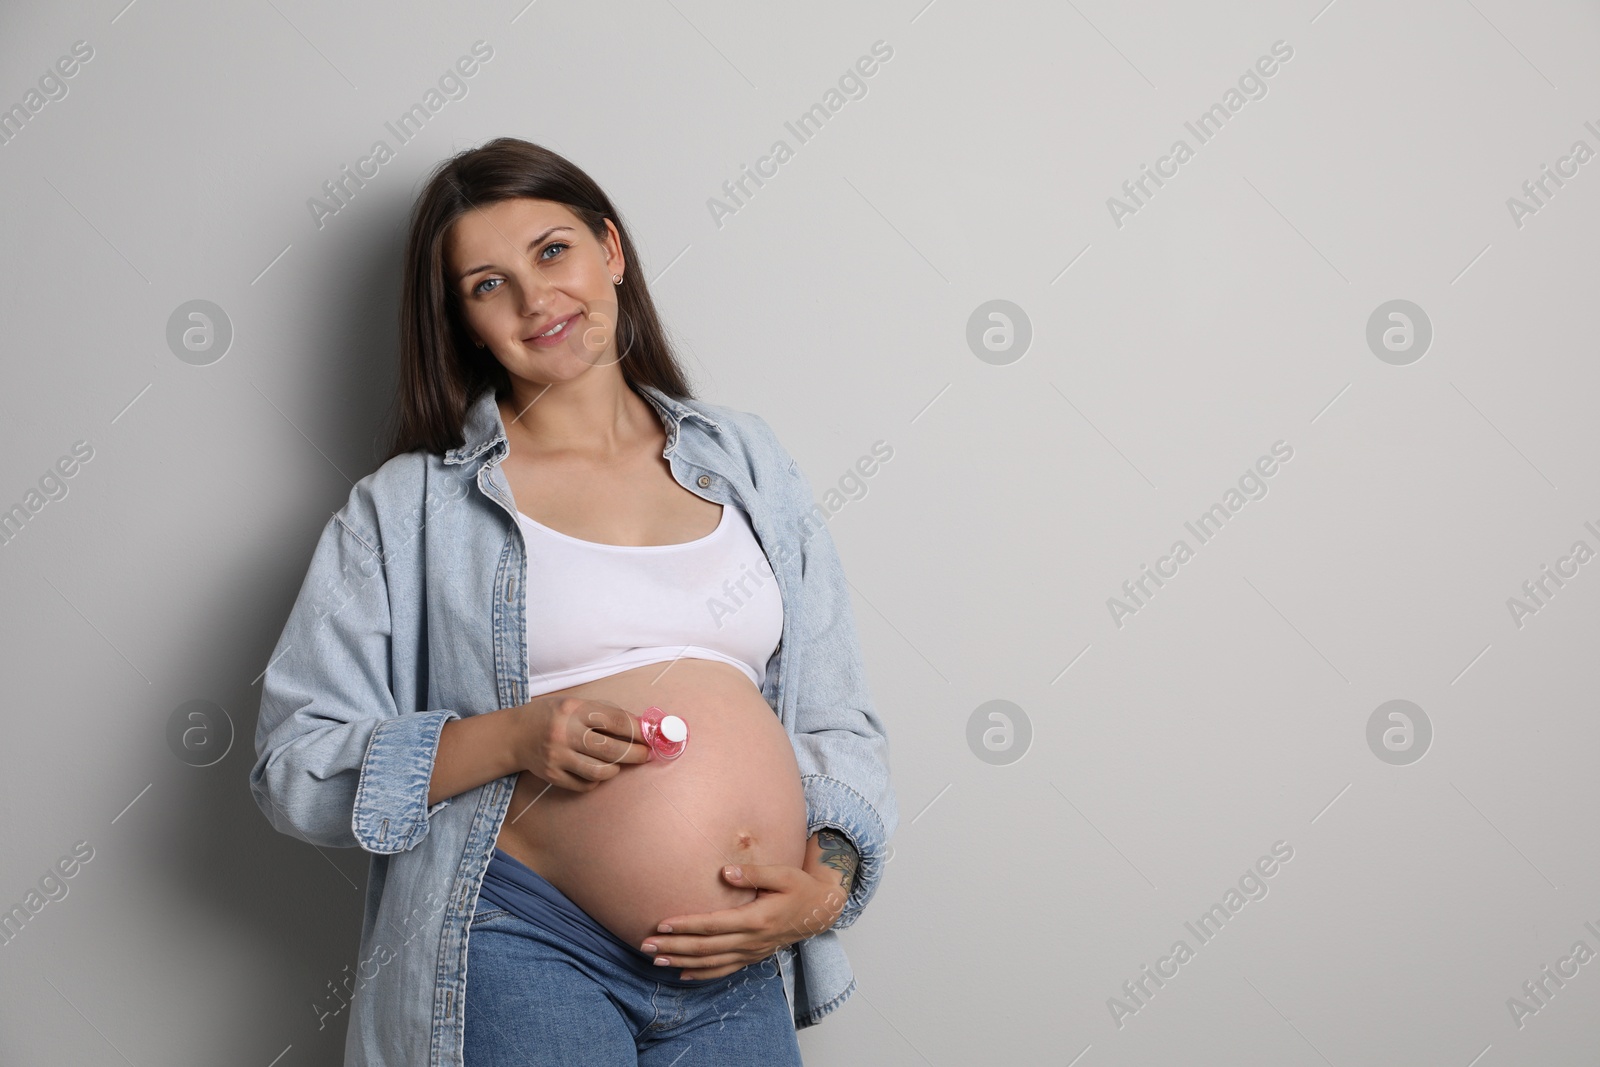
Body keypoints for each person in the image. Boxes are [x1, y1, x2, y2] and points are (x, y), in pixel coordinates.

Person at [249, 137, 897, 1066]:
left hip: (738, 961)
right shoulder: (408, 508)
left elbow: (838, 717)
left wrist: (823, 889)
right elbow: (293, 762)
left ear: (611, 252)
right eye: (487, 284)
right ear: (464, 321)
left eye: (552, 252)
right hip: (522, 936)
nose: (534, 300)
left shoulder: (750, 463)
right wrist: (512, 738)